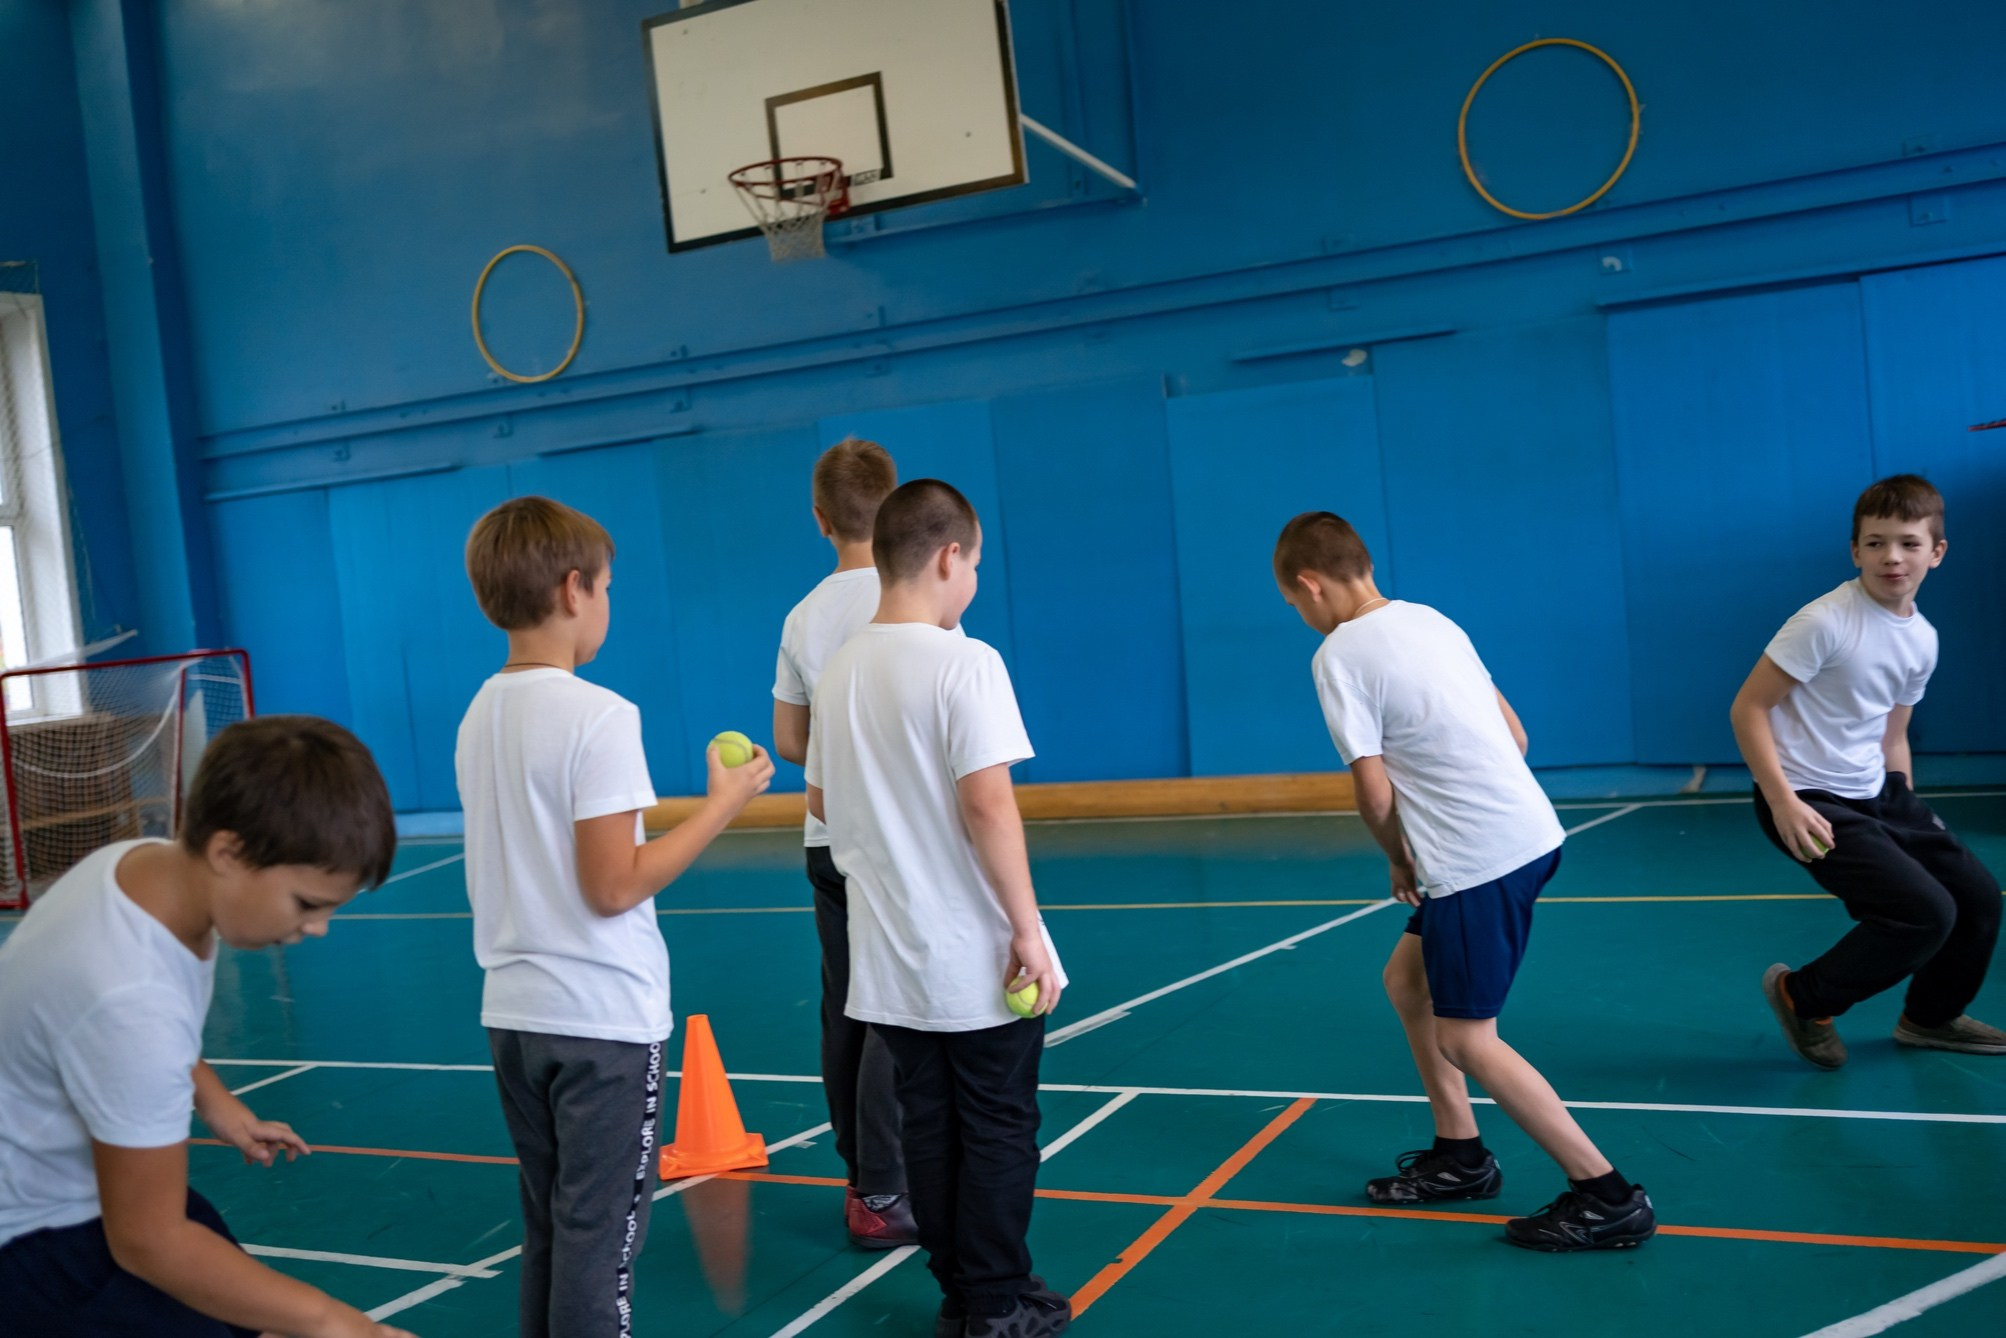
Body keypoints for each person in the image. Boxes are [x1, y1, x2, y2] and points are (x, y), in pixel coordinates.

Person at [1274, 510, 1655, 1252]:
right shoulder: (1432, 621)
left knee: (1469, 1039)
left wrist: (1398, 853)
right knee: (1407, 980)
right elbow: (1516, 735)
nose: (1302, 618)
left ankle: (1605, 1193)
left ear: (1310, 584)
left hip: (1478, 861)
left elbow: (1375, 793)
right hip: (1532, 835)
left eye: (1295, 605)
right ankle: (1461, 1155)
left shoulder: (1338, 656)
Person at [458, 496, 773, 1337]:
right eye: (607, 587)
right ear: (573, 590)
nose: (607, 603)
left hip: (514, 1019)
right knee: (602, 1243)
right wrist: (723, 804)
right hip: (600, 1024)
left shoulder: (478, 715)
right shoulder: (598, 714)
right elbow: (614, 886)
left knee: (553, 1234)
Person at [0, 715, 415, 1336]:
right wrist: (342, 1324)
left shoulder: (142, 869)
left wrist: (216, 1102)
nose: (318, 928)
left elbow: (123, 1033)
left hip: (83, 1186)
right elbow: (147, 1241)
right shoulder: (128, 996)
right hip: (37, 1243)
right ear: (228, 852)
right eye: (307, 904)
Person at [806, 479, 1071, 1335]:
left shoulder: (841, 666)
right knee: (997, 1125)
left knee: (931, 1124)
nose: (975, 582)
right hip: (972, 950)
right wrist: (1028, 928)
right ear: (949, 556)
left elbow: (819, 800)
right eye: (977, 564)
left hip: (888, 956)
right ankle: (994, 1301)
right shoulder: (966, 660)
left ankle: (969, 1289)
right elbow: (989, 805)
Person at [1730, 474, 2004, 1068]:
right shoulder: (1824, 622)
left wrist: (1908, 810)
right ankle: (1803, 997)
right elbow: (1748, 708)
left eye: (1908, 542)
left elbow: (1893, 731)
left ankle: (1929, 1018)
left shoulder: (1922, 639)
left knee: (1977, 897)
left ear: (1937, 552)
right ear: (1855, 551)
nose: (1891, 557)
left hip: (1877, 790)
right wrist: (1782, 802)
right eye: (1875, 543)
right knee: (1923, 913)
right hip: (1805, 794)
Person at [770, 437, 917, 1248]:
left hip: (824, 837)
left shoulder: (803, 614)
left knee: (845, 1008)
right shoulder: (916, 595)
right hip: (894, 841)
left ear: (820, 519)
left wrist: (836, 747)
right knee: (896, 1007)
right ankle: (890, 1189)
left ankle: (865, 1178)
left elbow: (789, 737)